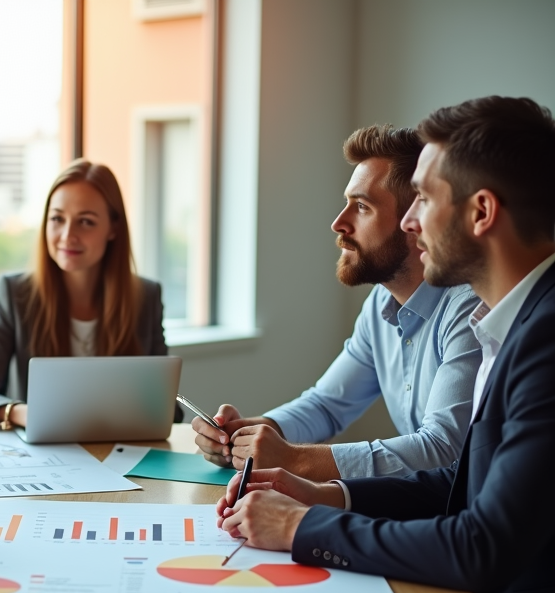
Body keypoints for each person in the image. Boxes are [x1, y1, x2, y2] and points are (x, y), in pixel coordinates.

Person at [216, 96, 555, 593]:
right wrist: (328, 495)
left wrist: (303, 527)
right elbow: (460, 481)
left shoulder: (544, 338)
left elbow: (482, 545)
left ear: (481, 213)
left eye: (422, 198)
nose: (408, 222)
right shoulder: (514, 320)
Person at [193, 126, 481, 480]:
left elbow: (443, 449)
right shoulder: (381, 305)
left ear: (414, 222)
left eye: (361, 206)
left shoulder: (469, 308)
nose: (338, 223)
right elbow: (327, 405)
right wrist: (251, 435)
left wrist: (294, 459)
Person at [0, 159, 172, 428]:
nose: (67, 235)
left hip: (119, 454)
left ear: (113, 228)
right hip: (42, 458)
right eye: (57, 219)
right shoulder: (16, 293)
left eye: (86, 222)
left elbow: (167, 407)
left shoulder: (145, 297)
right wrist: (22, 413)